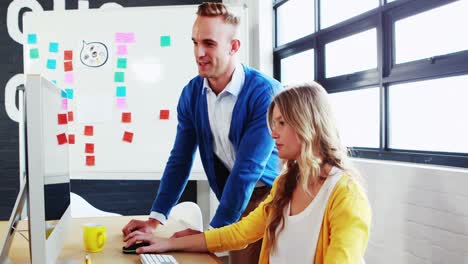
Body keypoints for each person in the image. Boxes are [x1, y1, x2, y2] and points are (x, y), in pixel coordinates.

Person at [124, 82, 372, 263]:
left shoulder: (346, 196)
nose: (273, 133)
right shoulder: (286, 183)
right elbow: (240, 233)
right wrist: (168, 243)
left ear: (309, 124)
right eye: (273, 123)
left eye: (282, 123)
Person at [122, 3, 282, 263]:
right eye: (195, 42)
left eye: (209, 43)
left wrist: (210, 234)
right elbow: (180, 160)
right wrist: (155, 219)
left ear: (233, 47)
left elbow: (247, 171)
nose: (199, 52)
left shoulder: (264, 94)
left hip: (267, 197)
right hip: (232, 192)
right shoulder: (192, 93)